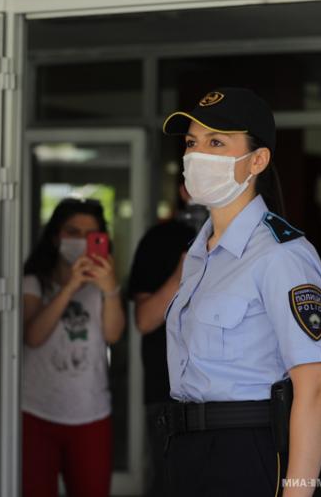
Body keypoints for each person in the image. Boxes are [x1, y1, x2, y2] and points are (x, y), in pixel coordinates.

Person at [160, 88, 321, 497]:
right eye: (191, 143)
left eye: (216, 143)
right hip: (186, 446)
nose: (197, 155)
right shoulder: (199, 252)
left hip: (244, 448)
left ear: (258, 160)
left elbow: (315, 388)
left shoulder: (281, 254)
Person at [21, 197, 126, 497]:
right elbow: (33, 337)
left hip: (91, 413)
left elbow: (114, 335)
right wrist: (69, 287)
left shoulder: (104, 286)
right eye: (73, 232)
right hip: (37, 412)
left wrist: (111, 290)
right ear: (56, 237)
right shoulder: (34, 283)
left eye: (90, 234)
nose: (80, 240)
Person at [128, 180, 198, 497]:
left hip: (233, 397)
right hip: (168, 393)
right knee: (171, 483)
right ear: (184, 190)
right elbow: (144, 320)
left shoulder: (252, 240)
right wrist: (183, 273)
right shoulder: (158, 240)